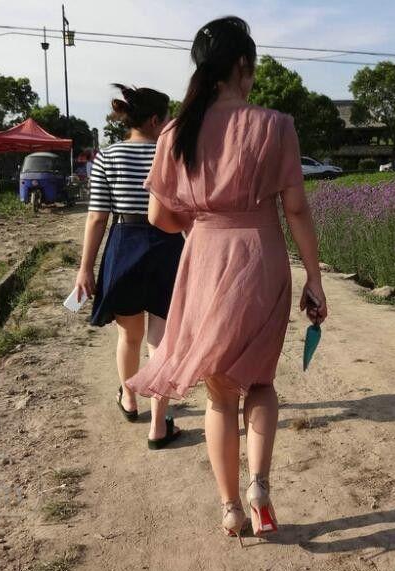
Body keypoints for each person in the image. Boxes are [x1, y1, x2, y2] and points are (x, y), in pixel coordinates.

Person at [123, 16, 328, 542]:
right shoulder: (276, 125)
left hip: (206, 259)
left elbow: (158, 217)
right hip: (262, 257)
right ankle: (260, 487)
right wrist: (314, 276)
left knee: (219, 395)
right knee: (260, 381)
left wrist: (202, 221)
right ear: (242, 65)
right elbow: (296, 210)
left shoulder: (175, 131)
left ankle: (231, 509)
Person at [74, 84, 185, 449]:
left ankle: (130, 399)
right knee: (160, 341)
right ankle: (158, 426)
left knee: (129, 337)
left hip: (125, 245)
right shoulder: (174, 154)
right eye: (166, 118)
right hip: (167, 245)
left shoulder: (107, 156)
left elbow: (96, 217)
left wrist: (85, 268)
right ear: (155, 120)